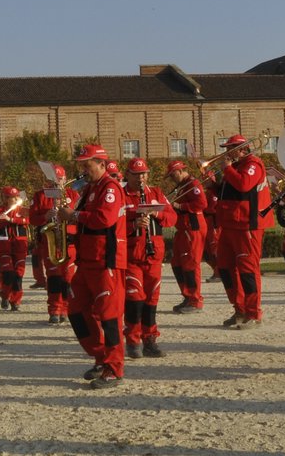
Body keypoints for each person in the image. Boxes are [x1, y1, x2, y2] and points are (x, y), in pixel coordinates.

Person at [58, 144, 128, 389]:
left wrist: (74, 216)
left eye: (87, 165)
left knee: (109, 318)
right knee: (76, 311)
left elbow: (104, 219)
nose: (83, 170)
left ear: (101, 164)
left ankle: (114, 368)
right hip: (87, 261)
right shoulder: (90, 188)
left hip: (105, 261)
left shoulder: (110, 188)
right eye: (82, 165)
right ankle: (101, 357)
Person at [212, 135, 272, 330]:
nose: (226, 153)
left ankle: (253, 313)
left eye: (230, 148)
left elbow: (244, 184)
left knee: (247, 271)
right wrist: (213, 186)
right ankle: (239, 309)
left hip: (247, 225)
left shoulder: (253, 164)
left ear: (242, 149)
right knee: (225, 268)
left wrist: (227, 168)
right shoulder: (236, 167)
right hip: (230, 225)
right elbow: (231, 191)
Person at [122, 158, 176, 358]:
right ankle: (132, 339)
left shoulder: (156, 193)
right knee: (135, 299)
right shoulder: (121, 195)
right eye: (136, 174)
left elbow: (172, 218)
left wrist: (156, 213)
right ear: (127, 175)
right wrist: (133, 225)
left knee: (152, 299)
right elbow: (112, 224)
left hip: (153, 255)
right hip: (131, 256)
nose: (141, 178)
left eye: (144, 173)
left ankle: (150, 339)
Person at [29, 166, 78, 326]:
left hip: (69, 241)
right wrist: (45, 216)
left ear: (65, 179)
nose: (57, 183)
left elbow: (80, 217)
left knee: (69, 278)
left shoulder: (73, 195)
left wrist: (69, 215)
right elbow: (32, 219)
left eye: (60, 179)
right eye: (54, 180)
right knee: (54, 277)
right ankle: (54, 310)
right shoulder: (40, 195)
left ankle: (66, 308)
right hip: (50, 242)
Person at [166, 160, 209, 313]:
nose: (171, 178)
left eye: (172, 175)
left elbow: (202, 204)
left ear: (179, 171)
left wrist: (179, 206)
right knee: (177, 263)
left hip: (192, 227)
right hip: (183, 228)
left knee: (190, 264)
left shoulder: (193, 183)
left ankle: (195, 300)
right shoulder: (183, 185)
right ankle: (188, 295)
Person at [0, 186, 31, 311]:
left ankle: (16, 300)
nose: (15, 199)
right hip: (4, 246)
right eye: (12, 197)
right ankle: (5, 296)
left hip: (19, 246)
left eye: (16, 197)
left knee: (18, 275)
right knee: (8, 274)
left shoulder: (23, 209)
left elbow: (28, 220)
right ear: (6, 199)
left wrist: (11, 219)